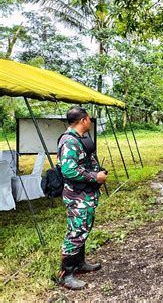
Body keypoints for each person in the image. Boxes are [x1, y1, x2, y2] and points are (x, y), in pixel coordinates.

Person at [58, 107, 108, 290]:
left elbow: (82, 163)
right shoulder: (69, 141)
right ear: (83, 120)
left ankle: (80, 263)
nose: (90, 121)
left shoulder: (79, 139)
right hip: (77, 195)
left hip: (85, 194)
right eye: (88, 118)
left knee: (83, 228)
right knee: (76, 232)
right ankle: (66, 274)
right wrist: (94, 177)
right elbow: (68, 170)